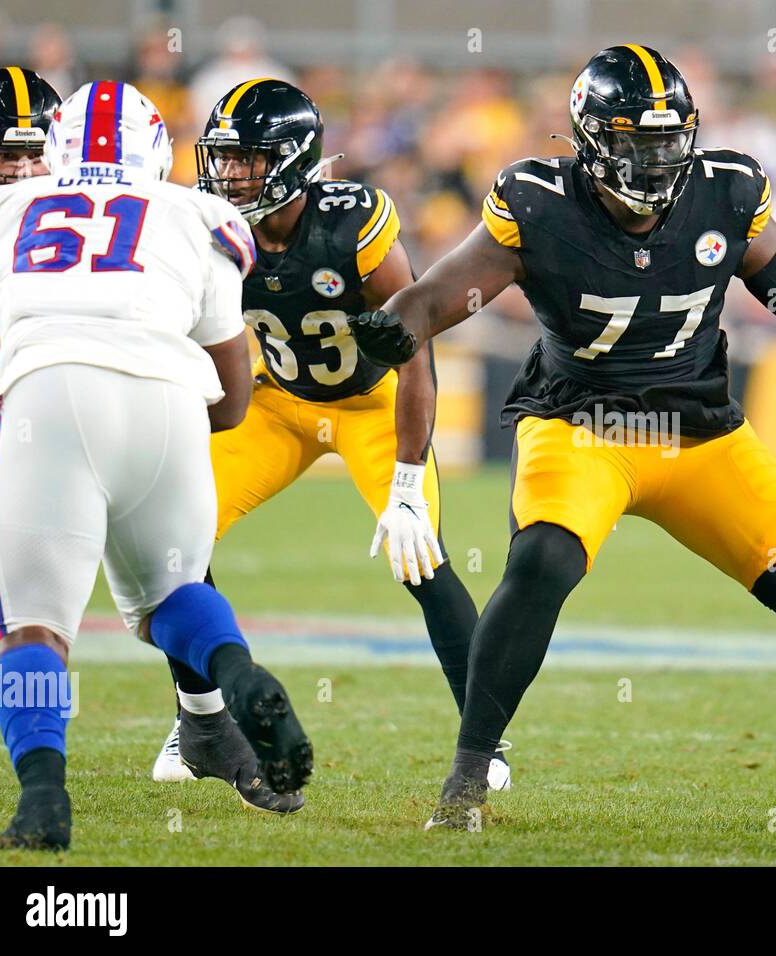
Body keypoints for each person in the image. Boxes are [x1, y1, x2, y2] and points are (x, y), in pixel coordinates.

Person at [349, 45, 776, 832]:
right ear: (593, 139)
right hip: (581, 427)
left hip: (697, 432)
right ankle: (466, 781)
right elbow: (435, 298)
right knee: (541, 562)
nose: (659, 158)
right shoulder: (538, 204)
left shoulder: (726, 193)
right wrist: (388, 328)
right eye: (639, 141)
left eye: (670, 140)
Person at [147, 78, 509, 795]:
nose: (229, 174)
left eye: (247, 159)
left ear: (292, 160)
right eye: (224, 158)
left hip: (372, 401)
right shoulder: (211, 227)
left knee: (421, 559)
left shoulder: (353, 224)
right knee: (173, 544)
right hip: (275, 400)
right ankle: (203, 721)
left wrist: (407, 483)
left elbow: (416, 340)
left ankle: (486, 742)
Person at [0, 81, 312, 849]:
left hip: (47, 399)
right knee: (172, 595)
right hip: (167, 405)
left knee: (31, 627)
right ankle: (238, 675)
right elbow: (232, 399)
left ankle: (42, 799)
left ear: (54, 151)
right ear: (158, 153)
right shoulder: (200, 216)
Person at [0, 66, 59, 469]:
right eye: (7, 155)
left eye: (37, 154)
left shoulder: (85, 223)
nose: (24, 171)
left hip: (43, 437)